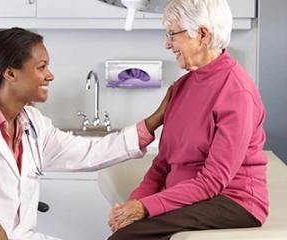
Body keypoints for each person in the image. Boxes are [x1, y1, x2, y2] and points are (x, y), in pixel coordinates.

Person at [0, 27, 174, 240]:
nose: (50, 75)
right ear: (10, 73)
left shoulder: (33, 124)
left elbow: (89, 153)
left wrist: (154, 121)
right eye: (41, 67)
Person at [108, 0, 268, 239]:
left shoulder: (237, 93)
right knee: (128, 227)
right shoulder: (182, 86)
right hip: (192, 194)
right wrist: (134, 202)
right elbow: (162, 165)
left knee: (129, 237)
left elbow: (213, 181)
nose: (167, 44)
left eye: (173, 34)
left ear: (203, 34)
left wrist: (145, 207)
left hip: (233, 200)